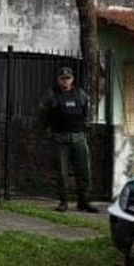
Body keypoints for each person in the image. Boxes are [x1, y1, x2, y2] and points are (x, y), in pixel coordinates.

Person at [40, 65, 95, 212]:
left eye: (68, 78)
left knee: (84, 171)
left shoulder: (80, 94)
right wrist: (49, 132)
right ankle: (63, 201)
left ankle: (84, 201)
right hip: (60, 138)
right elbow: (43, 115)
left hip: (78, 138)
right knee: (62, 172)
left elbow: (86, 112)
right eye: (63, 79)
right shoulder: (51, 95)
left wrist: (85, 129)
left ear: (72, 79)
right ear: (58, 80)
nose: (65, 81)